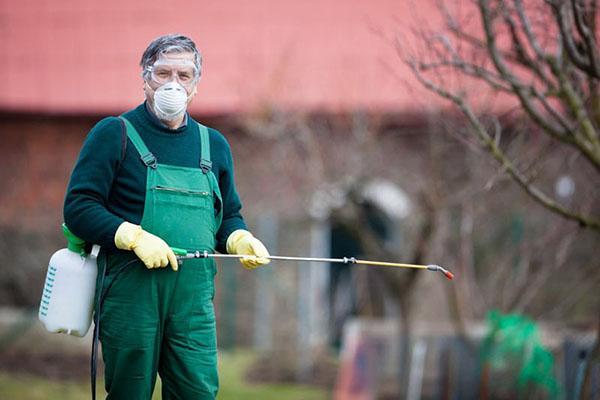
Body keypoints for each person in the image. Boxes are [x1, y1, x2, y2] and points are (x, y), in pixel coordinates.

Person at [63, 33, 270, 399]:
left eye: (184, 75)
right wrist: (133, 236)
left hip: (193, 305)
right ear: (145, 77)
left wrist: (239, 237)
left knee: (198, 391)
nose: (173, 84)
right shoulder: (115, 134)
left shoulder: (214, 145)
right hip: (131, 296)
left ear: (196, 85)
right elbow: (79, 208)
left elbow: (228, 215)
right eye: (163, 73)